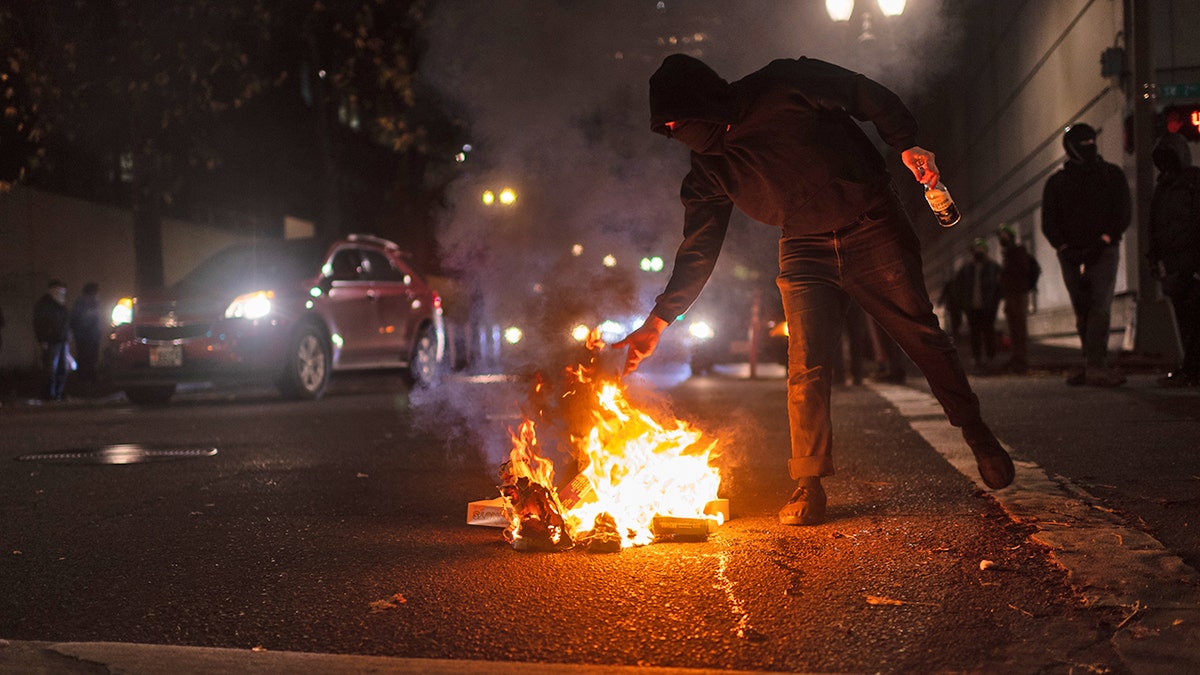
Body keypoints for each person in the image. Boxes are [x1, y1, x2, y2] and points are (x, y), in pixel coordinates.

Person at [613, 54, 1015, 526]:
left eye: (680, 117)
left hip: (872, 226)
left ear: (705, 98)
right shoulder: (708, 169)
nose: (678, 130)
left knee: (920, 333)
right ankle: (808, 482)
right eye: (669, 127)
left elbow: (863, 91)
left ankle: (975, 430)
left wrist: (905, 143)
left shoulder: (784, 83)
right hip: (803, 247)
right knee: (806, 365)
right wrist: (658, 321)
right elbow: (698, 248)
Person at [1041, 122, 1131, 387]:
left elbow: (1123, 212)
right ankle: (1091, 362)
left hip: (1102, 251)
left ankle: (1096, 365)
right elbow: (1050, 221)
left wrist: (1104, 240)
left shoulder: (1111, 175)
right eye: (1084, 143)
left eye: (1092, 142)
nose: (1089, 148)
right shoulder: (1058, 183)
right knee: (1083, 308)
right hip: (1071, 253)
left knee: (1099, 307)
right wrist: (1065, 248)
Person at [1147, 132, 1200, 387]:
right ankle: (1189, 368)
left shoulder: (1192, 182)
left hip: (1191, 262)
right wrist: (1153, 257)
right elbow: (1154, 227)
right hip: (1173, 263)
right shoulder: (1163, 188)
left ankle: (1192, 369)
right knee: (1184, 319)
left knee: (1193, 318)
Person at [952, 238, 1002, 371]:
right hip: (972, 306)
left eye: (981, 249)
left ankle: (991, 357)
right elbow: (958, 286)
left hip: (988, 305)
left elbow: (999, 286)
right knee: (974, 333)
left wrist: (995, 300)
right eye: (976, 249)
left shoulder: (993, 266)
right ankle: (977, 357)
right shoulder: (966, 268)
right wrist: (963, 303)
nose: (978, 252)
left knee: (988, 331)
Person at [997, 224, 1038, 374]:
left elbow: (1027, 271)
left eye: (1004, 235)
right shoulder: (1008, 254)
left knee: (1019, 327)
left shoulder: (1018, 252)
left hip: (1017, 294)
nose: (1002, 238)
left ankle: (1021, 360)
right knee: (1013, 327)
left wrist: (1024, 288)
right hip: (1011, 294)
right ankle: (1016, 358)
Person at [33, 280, 71, 401]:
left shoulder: (61, 305)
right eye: (59, 290)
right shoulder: (44, 305)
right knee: (50, 370)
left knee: (62, 369)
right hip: (51, 341)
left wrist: (67, 336)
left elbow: (65, 322)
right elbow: (39, 323)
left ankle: (58, 394)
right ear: (51, 291)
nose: (62, 293)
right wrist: (42, 340)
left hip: (61, 341)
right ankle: (49, 394)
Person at [70, 281, 103, 385]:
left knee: (91, 358)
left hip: (92, 337)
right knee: (85, 358)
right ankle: (84, 379)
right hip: (85, 337)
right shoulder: (82, 304)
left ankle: (89, 378)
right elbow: (77, 320)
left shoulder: (93, 304)